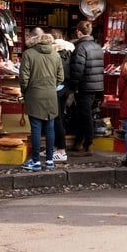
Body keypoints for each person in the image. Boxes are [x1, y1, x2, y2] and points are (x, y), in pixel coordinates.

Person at [19, 29, 64, 172]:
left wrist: (25, 91)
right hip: (51, 95)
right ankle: (50, 160)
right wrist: (52, 86)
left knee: (36, 128)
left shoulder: (28, 54)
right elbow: (60, 77)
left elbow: (23, 77)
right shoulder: (56, 54)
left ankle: (36, 161)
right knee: (50, 127)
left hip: (34, 94)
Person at [68, 20, 104, 156]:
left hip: (84, 86)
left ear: (78, 32)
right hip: (95, 86)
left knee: (85, 115)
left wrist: (73, 86)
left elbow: (78, 70)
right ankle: (78, 142)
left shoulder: (80, 48)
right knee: (83, 114)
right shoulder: (97, 46)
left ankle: (88, 145)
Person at [50, 29, 74, 160]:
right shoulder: (69, 51)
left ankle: (61, 150)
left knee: (56, 119)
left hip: (56, 88)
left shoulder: (53, 53)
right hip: (65, 88)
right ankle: (55, 147)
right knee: (60, 118)